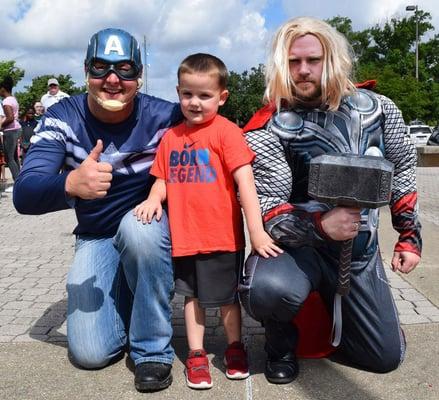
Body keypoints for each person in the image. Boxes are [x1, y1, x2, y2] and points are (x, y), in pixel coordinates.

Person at [239, 17, 422, 385]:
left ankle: (347, 321)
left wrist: (409, 236)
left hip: (359, 250)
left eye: (313, 59)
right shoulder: (269, 125)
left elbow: (402, 169)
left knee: (384, 358)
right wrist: (320, 225)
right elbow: (269, 205)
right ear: (281, 65)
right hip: (296, 250)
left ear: (333, 58)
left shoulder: (379, 109)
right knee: (268, 290)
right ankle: (281, 342)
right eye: (293, 62)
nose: (303, 70)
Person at [13, 28, 182, 392]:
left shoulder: (166, 116)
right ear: (85, 70)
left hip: (145, 227)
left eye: (124, 69)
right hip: (96, 236)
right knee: (90, 353)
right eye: (100, 67)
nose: (112, 80)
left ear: (139, 74)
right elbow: (24, 194)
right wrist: (70, 184)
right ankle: (132, 296)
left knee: (141, 234)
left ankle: (152, 349)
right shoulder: (62, 117)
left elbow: (217, 137)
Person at [134, 53, 282, 389]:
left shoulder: (227, 133)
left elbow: (246, 183)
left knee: (227, 300)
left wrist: (256, 233)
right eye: (187, 94)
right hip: (185, 237)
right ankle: (197, 354)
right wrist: (153, 198)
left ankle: (234, 347)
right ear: (178, 92)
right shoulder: (171, 138)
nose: (195, 102)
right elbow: (162, 178)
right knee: (191, 298)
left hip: (223, 237)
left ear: (222, 97)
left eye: (204, 95)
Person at [0, 76, 21, 192]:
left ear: (3, 89)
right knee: (14, 157)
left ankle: (17, 184)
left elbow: (10, 118)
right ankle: (20, 181)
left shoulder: (6, 101)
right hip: (16, 129)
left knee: (9, 158)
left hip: (10, 131)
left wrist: (1, 125)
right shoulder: (13, 99)